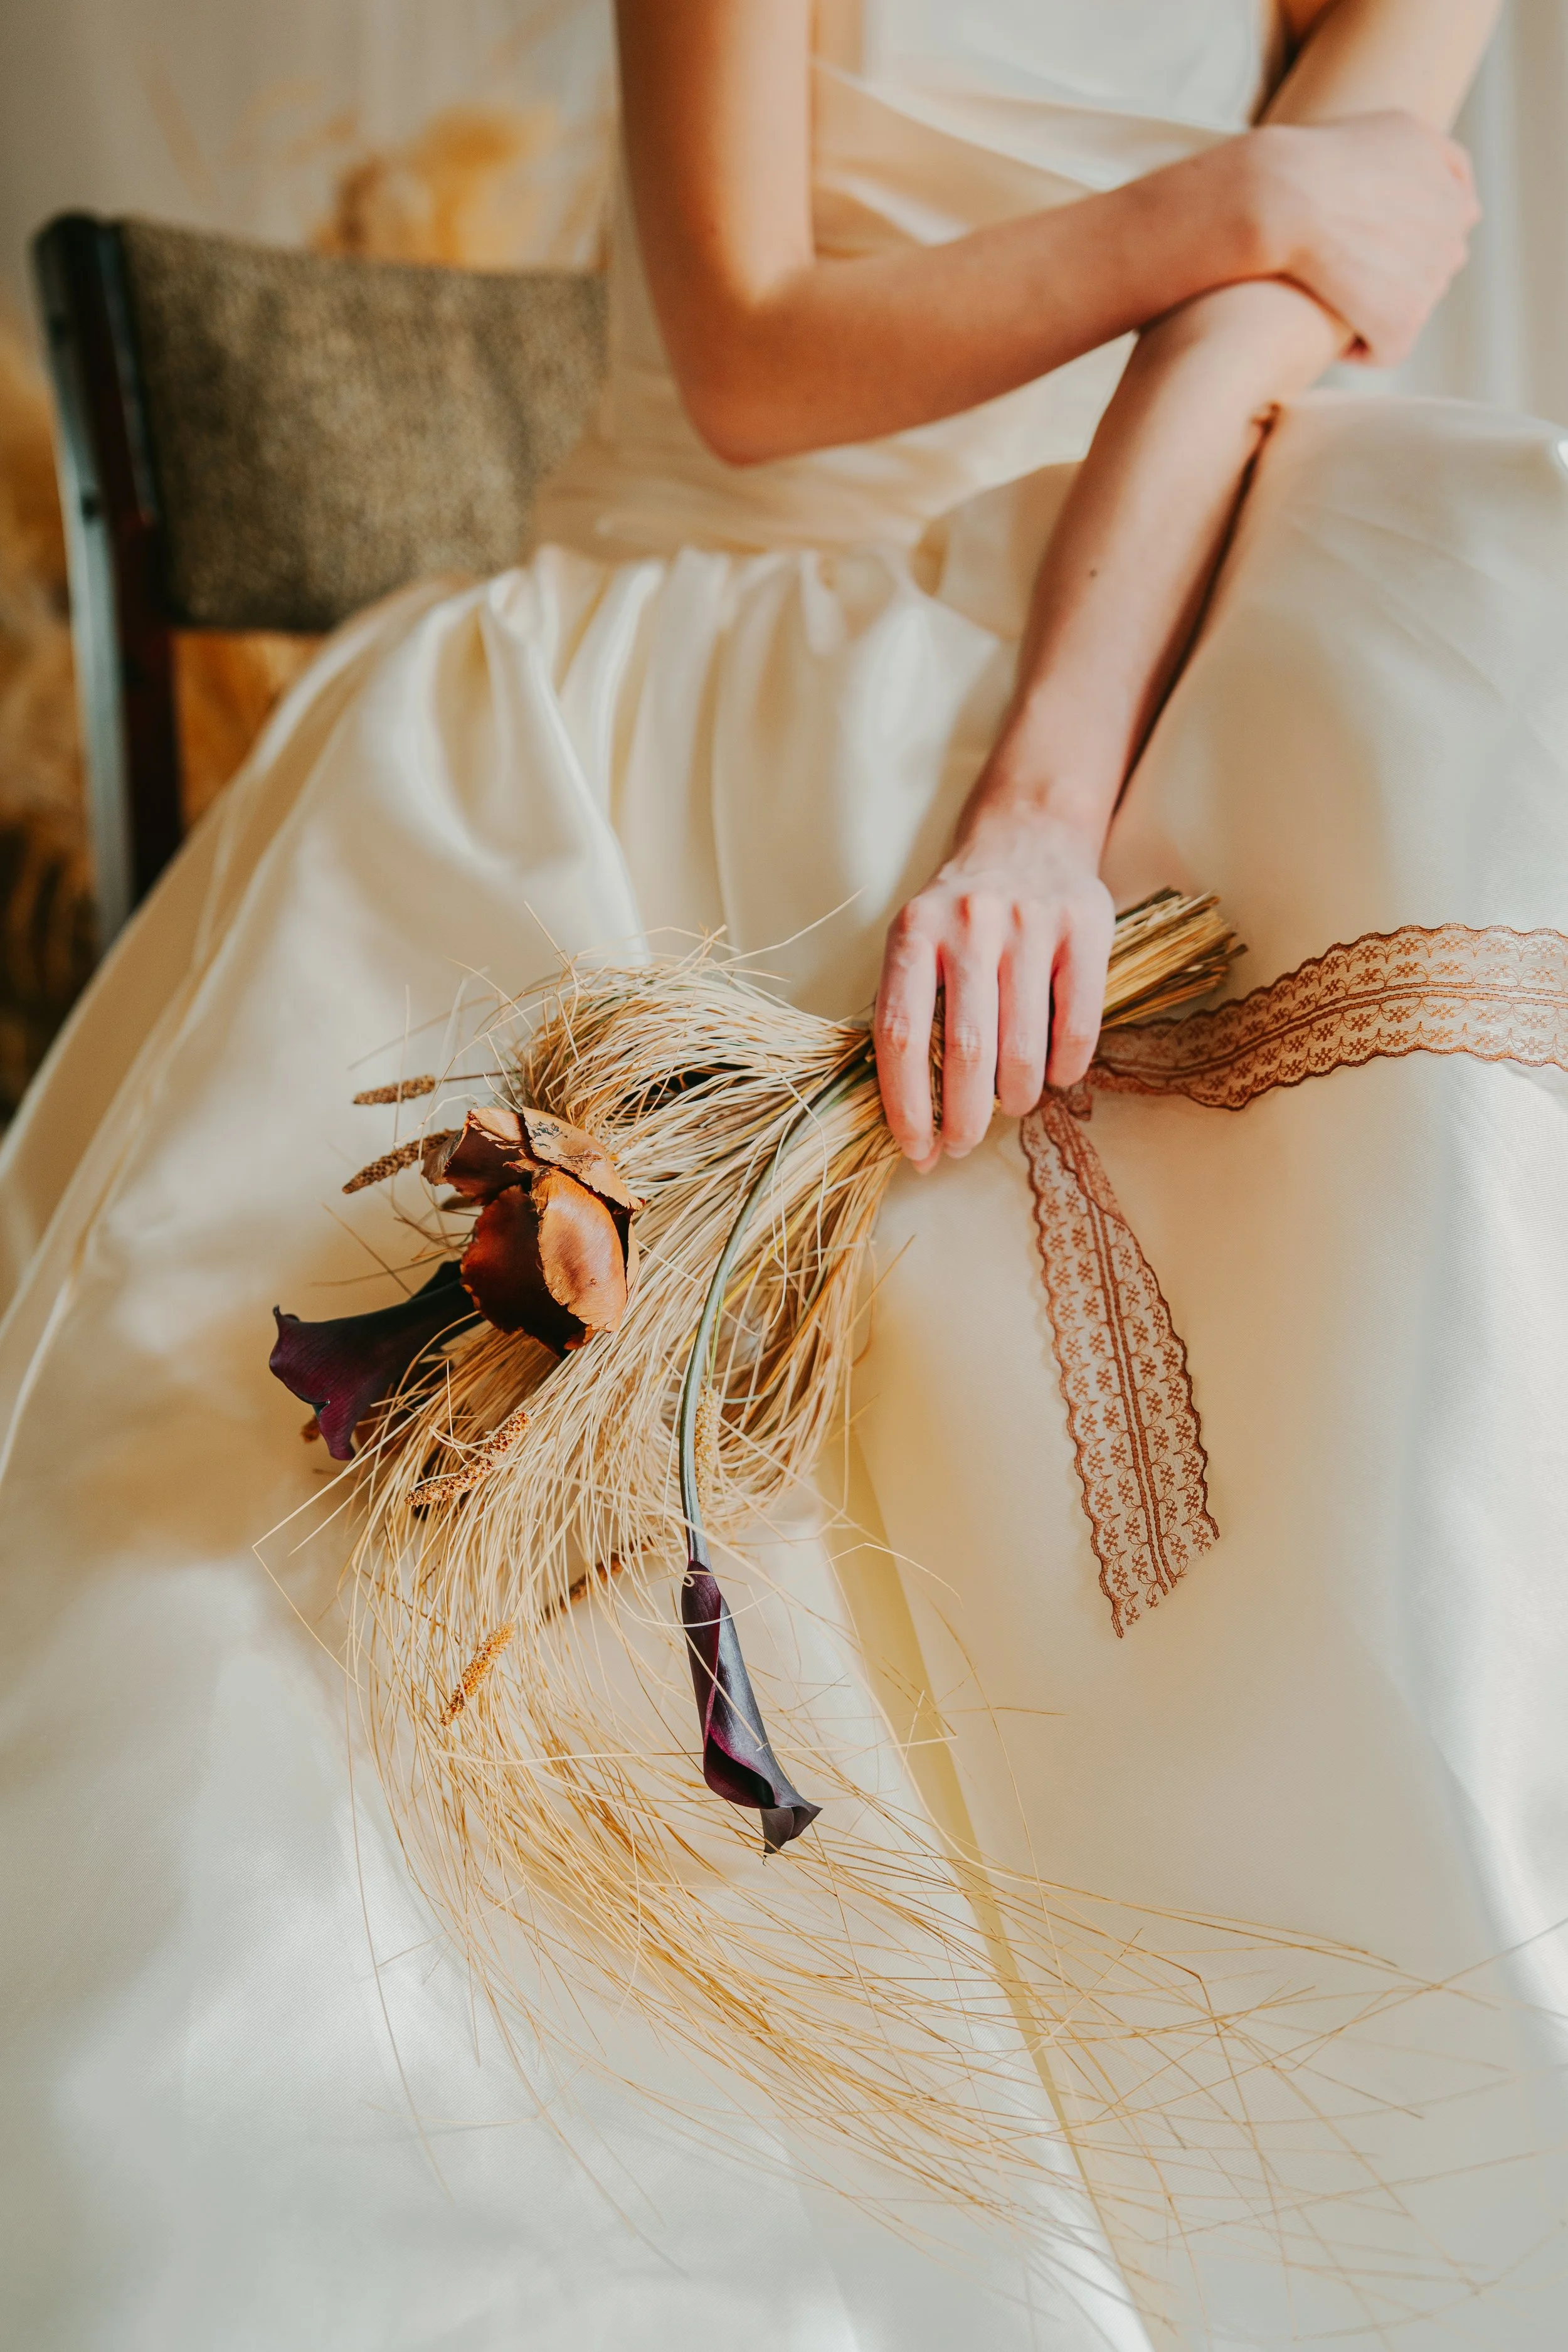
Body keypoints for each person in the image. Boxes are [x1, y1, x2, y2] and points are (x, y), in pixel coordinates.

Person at [3, 1, 1565, 2343]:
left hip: (1089, 617)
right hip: (690, 629)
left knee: (1470, 634)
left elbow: (1261, 335)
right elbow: (745, 356)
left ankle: (1371, 2008)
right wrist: (1233, 196)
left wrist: (1046, 794)